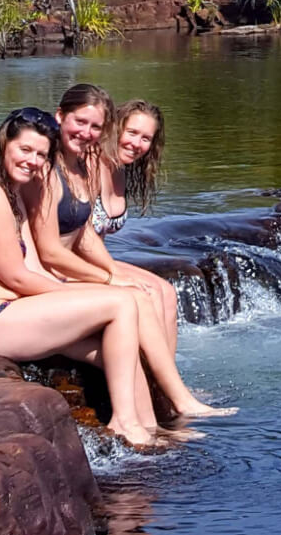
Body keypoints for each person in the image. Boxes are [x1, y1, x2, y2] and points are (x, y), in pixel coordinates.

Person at [0, 107, 164, 447]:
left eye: (41, 154)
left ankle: (148, 428)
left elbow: (32, 267)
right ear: (4, 144)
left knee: (118, 348)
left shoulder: (14, 192)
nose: (31, 160)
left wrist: (79, 293)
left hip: (15, 314)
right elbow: (16, 277)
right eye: (24, 149)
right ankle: (123, 422)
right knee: (120, 301)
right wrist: (86, 292)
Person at [36, 86, 234, 420]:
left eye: (146, 138)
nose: (137, 144)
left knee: (165, 291)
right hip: (67, 264)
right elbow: (73, 236)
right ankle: (174, 396)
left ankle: (165, 386)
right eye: (132, 133)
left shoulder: (122, 168)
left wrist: (113, 271)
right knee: (144, 294)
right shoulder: (87, 163)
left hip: (89, 257)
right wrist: (112, 276)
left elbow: (89, 238)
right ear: (115, 129)